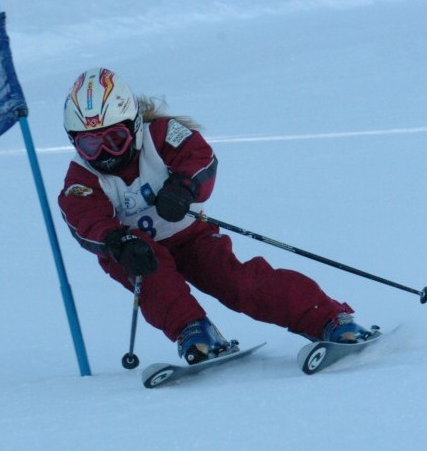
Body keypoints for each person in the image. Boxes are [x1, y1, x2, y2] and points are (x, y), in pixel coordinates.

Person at [58, 67, 370, 365]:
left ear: (134, 126)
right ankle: (195, 334)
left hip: (190, 235)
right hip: (136, 252)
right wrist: (118, 243)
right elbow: (85, 219)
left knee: (238, 283)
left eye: (114, 141)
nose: (103, 155)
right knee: (156, 283)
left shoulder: (162, 134)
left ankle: (328, 319)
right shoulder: (81, 180)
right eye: (89, 144)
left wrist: (183, 187)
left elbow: (200, 157)